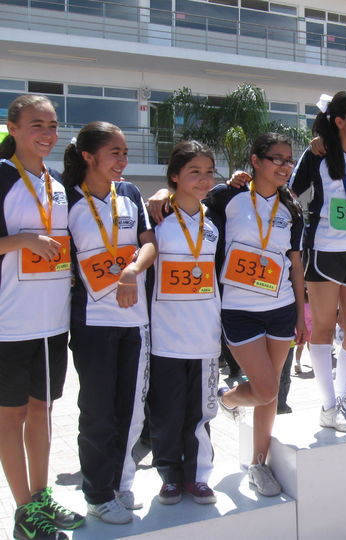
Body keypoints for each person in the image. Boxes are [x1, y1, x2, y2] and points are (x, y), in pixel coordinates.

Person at [0, 95, 84, 540]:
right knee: (10, 417)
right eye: (37, 125)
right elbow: (21, 243)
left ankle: (40, 497)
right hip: (8, 324)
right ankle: (21, 510)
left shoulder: (55, 182)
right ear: (12, 127)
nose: (48, 135)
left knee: (43, 413)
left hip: (52, 323)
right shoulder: (2, 176)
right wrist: (21, 241)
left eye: (52, 126)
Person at [64, 121, 156, 523]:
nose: (123, 160)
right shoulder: (65, 199)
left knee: (131, 409)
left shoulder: (131, 193)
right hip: (92, 323)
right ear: (89, 156)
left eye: (124, 152)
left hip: (134, 321)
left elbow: (149, 243)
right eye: (115, 152)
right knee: (98, 412)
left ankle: (121, 482)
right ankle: (98, 493)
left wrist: (132, 270)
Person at [214, 133, 307, 496]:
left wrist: (301, 315)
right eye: (277, 159)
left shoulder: (292, 209)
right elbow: (187, 207)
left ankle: (258, 463)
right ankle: (225, 399)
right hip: (239, 310)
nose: (285, 166)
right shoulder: (227, 197)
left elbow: (295, 265)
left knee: (270, 393)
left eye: (289, 160)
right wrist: (162, 196)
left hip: (281, 308)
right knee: (266, 389)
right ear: (256, 161)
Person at [289, 90, 346, 430]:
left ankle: (342, 400)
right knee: (323, 328)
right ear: (339, 121)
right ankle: (327, 405)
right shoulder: (316, 154)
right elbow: (289, 192)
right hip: (323, 249)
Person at [147, 141, 221, 506]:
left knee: (201, 414)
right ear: (174, 176)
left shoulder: (213, 222)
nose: (204, 179)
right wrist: (160, 196)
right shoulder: (157, 219)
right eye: (194, 171)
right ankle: (169, 477)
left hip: (204, 338)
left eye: (209, 171)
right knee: (167, 412)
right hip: (165, 339)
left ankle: (198, 477)